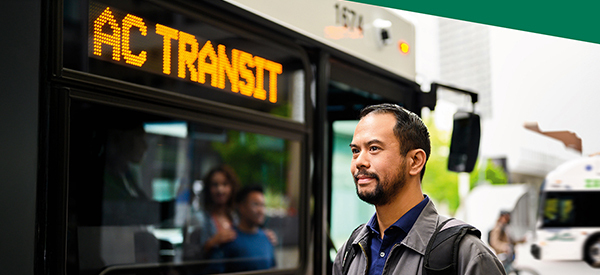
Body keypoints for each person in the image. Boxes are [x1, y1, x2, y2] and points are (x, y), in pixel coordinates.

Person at [332, 103, 505, 275]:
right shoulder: (349, 253)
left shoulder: (467, 254)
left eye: (374, 148)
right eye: (355, 150)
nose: (359, 161)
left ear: (415, 161)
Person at [184, 165, 240, 260]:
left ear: (232, 188)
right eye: (215, 185)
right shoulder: (197, 219)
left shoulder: (236, 219)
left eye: (225, 184)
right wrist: (210, 244)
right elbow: (187, 257)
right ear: (208, 189)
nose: (220, 190)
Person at [219, 185, 276, 272]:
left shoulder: (267, 238)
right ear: (242, 207)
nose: (261, 210)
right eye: (256, 204)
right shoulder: (229, 238)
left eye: (263, 205)